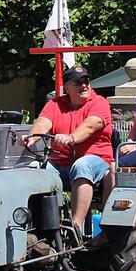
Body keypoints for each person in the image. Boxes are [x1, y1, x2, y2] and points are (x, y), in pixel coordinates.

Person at [21, 66, 113, 234]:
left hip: (97, 159)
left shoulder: (99, 102)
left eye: (86, 81)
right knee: (33, 169)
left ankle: (74, 228)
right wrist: (32, 137)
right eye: (78, 83)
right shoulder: (55, 104)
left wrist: (71, 137)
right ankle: (36, 227)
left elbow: (91, 125)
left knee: (82, 165)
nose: (84, 86)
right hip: (60, 162)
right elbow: (43, 122)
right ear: (67, 88)